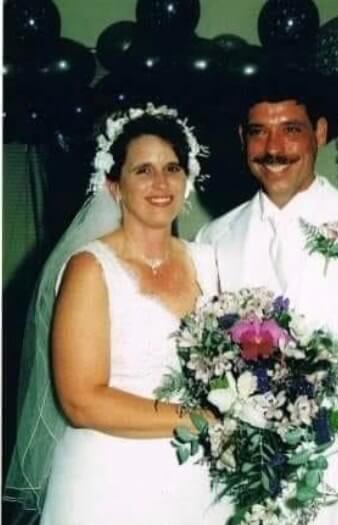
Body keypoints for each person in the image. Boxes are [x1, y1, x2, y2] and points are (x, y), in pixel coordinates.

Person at [196, 72, 338, 525]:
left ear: (319, 132)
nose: (274, 148)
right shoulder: (213, 237)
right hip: (246, 479)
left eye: (291, 129)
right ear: (242, 138)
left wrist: (307, 428)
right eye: (259, 131)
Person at [5, 103, 232, 524]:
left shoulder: (211, 262)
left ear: (188, 178)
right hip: (110, 480)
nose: (160, 183)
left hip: (198, 479)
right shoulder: (90, 269)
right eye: (142, 170)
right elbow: (80, 400)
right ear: (114, 186)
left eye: (172, 168)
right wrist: (199, 419)